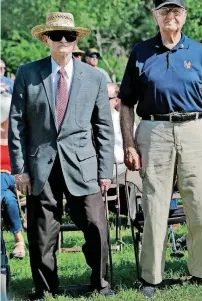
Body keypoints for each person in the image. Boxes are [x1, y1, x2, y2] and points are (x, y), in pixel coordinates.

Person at [118, 0, 202, 297]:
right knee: (155, 206)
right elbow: (126, 103)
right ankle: (151, 278)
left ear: (184, 16)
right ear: (155, 16)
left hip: (195, 129)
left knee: (201, 206)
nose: (170, 16)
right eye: (165, 11)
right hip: (153, 129)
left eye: (176, 11)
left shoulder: (199, 52)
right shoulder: (140, 51)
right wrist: (128, 143)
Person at [8, 12, 115, 298]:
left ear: (76, 40)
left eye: (69, 36)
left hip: (83, 165)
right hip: (41, 165)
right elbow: (16, 124)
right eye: (56, 35)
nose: (63, 41)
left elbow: (104, 127)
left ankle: (101, 283)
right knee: (42, 234)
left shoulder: (94, 77)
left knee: (96, 225)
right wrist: (20, 169)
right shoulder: (28, 73)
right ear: (46, 39)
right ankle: (45, 290)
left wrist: (105, 171)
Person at [0, 89, 26, 259]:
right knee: (7, 199)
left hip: (19, 179)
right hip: (6, 188)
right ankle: (19, 242)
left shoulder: (20, 135)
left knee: (2, 178)